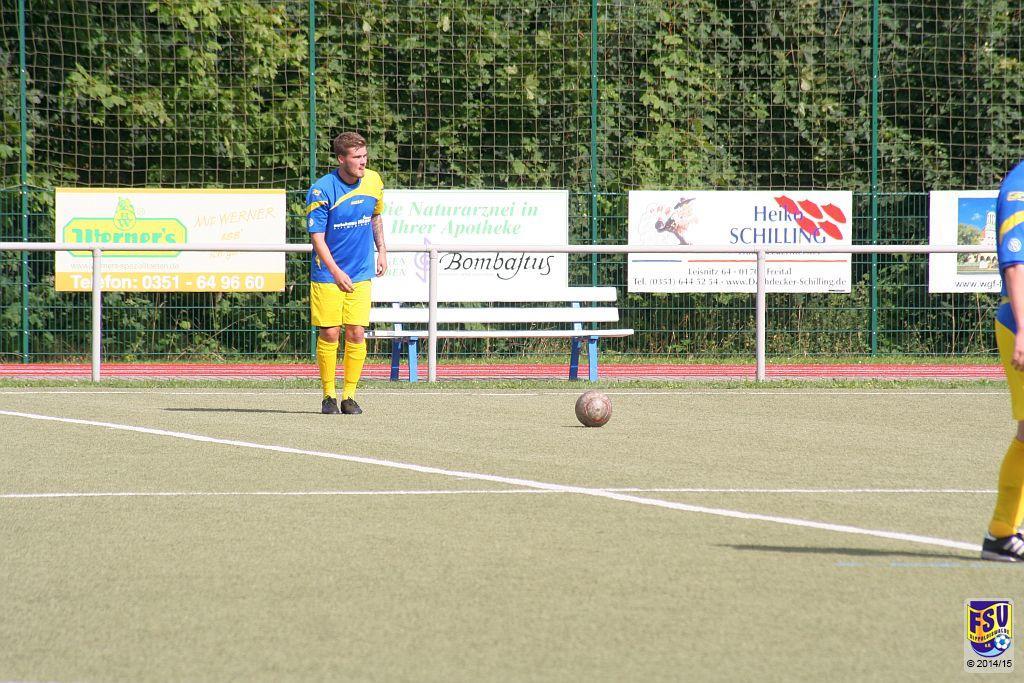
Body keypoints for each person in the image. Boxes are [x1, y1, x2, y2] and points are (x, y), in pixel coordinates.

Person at [306, 132, 387, 415]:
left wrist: (382, 251)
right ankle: (328, 394)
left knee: (356, 333)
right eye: (356, 157)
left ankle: (349, 396)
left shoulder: (374, 181)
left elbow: (375, 216)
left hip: (361, 272)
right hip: (328, 274)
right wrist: (335, 271)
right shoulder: (321, 190)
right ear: (341, 159)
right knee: (330, 333)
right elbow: (317, 237)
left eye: (364, 156)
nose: (363, 162)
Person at [985, 159, 1024, 561]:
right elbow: (1015, 264)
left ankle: (1005, 532)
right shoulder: (1019, 187)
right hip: (1019, 322)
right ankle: (1001, 533)